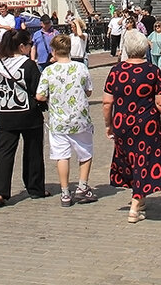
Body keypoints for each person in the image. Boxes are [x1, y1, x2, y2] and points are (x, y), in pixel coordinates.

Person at [103, 30, 161, 224]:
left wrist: (108, 124)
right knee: (143, 161)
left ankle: (140, 198)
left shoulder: (116, 71)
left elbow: (107, 102)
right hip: (146, 124)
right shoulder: (152, 71)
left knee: (130, 160)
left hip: (122, 123)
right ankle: (135, 205)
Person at [0, 29, 47, 206]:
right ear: (21, 47)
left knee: (3, 154)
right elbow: (38, 90)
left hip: (5, 116)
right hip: (29, 116)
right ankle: (35, 188)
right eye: (29, 44)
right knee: (33, 152)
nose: (30, 47)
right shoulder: (28, 65)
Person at [36, 34, 97, 207]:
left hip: (58, 121)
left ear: (53, 51)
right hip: (80, 119)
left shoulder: (49, 70)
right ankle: (82, 187)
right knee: (85, 152)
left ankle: (64, 193)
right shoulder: (81, 68)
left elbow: (40, 95)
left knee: (61, 156)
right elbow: (89, 91)